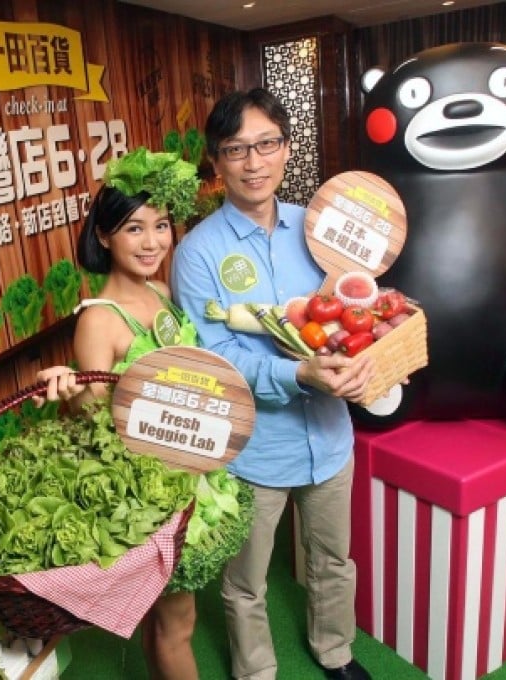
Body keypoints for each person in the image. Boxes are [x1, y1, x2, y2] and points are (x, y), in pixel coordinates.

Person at [170, 88, 375, 680]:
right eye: (237, 149)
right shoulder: (198, 253)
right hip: (256, 450)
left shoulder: (317, 231)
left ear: (286, 150)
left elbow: (350, 314)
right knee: (246, 579)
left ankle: (335, 652)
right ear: (216, 161)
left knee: (334, 558)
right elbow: (219, 356)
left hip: (331, 438)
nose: (253, 162)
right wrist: (298, 373)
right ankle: (256, 671)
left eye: (266, 144)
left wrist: (366, 362)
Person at [35, 146, 202, 680]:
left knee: (167, 623)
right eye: (134, 228)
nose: (152, 242)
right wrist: (67, 392)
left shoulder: (161, 290)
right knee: (178, 623)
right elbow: (97, 424)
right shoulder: (98, 320)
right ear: (104, 236)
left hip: (189, 468)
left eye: (160, 225)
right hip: (150, 485)